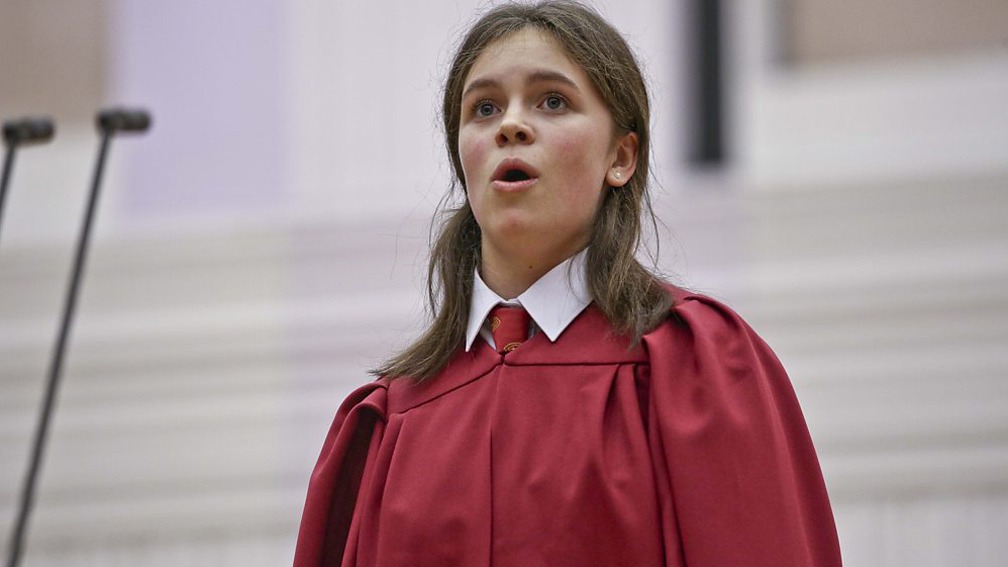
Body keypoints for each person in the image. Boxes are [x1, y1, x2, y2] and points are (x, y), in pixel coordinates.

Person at [293, 1, 842, 565]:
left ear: (621, 157)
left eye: (552, 101)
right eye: (483, 108)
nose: (510, 124)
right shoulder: (387, 424)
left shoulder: (695, 370)